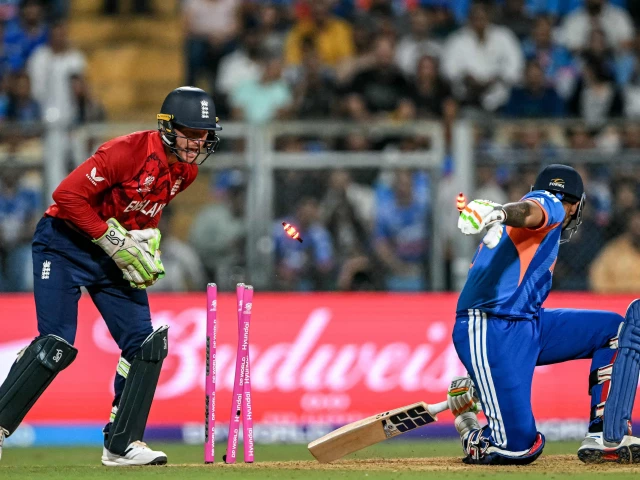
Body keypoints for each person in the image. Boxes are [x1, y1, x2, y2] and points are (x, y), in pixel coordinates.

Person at [0, 86, 222, 466]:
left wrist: (145, 241)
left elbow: (143, 209)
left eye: (203, 135)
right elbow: (66, 196)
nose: (196, 143)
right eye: (190, 132)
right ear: (168, 127)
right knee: (55, 344)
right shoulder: (125, 151)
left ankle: (122, 444)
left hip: (110, 257)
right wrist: (110, 239)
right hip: (63, 244)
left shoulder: (186, 171)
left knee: (145, 345)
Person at [449, 164, 640, 464]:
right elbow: (532, 210)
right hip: (491, 328)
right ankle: (467, 423)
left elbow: (528, 212)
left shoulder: (531, 223)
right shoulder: (551, 205)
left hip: (528, 322)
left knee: (614, 330)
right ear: (576, 205)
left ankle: (605, 433)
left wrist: (501, 214)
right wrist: (500, 212)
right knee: (518, 447)